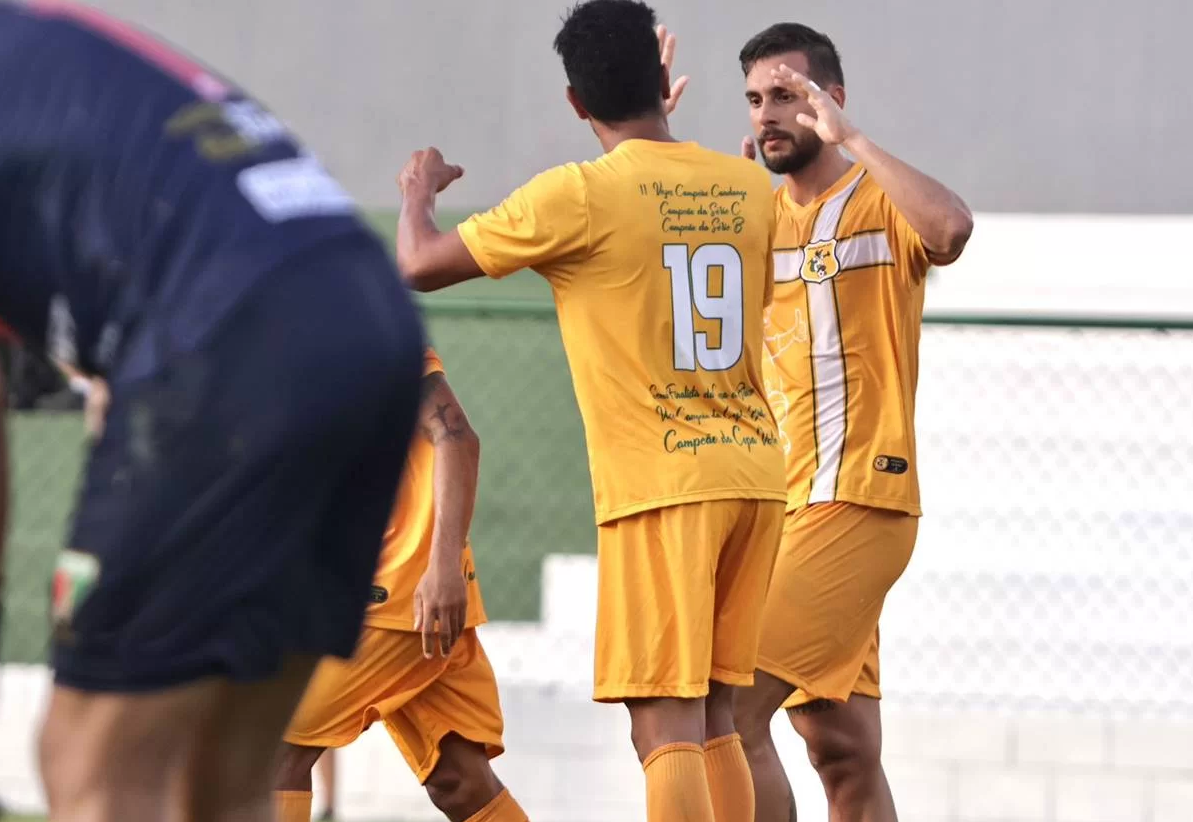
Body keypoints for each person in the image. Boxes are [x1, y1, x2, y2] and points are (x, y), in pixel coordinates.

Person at [0, 3, 425, 821]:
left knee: (95, 769)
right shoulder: (38, 36)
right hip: (366, 314)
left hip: (232, 341)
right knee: (220, 785)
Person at [394, 2, 787, 820]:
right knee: (719, 715)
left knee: (664, 728)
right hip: (754, 474)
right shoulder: (750, 185)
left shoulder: (577, 195)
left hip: (662, 484)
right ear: (661, 81)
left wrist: (415, 193)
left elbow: (420, 264)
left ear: (576, 103)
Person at [722, 22, 973, 822]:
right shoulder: (755, 219)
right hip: (782, 511)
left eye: (788, 97)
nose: (768, 115)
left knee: (724, 714)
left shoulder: (874, 197)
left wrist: (853, 138)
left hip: (857, 498)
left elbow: (951, 230)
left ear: (828, 100)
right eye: (757, 99)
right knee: (840, 746)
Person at [274, 348, 529, 822]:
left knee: (269, 745)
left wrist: (444, 565)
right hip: (372, 593)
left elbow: (457, 438)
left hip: (398, 590)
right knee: (460, 783)